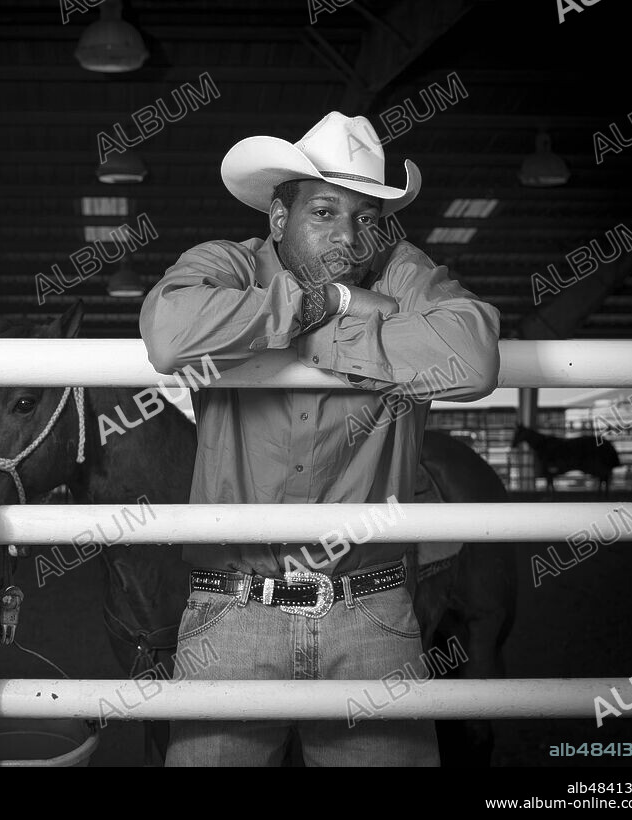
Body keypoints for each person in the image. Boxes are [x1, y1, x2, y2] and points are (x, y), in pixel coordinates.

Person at [138, 111, 501, 766]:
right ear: (279, 218)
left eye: (366, 217)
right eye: (325, 213)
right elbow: (171, 332)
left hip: (372, 614)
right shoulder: (223, 262)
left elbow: (472, 355)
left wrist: (285, 330)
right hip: (231, 612)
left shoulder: (401, 271)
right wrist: (330, 307)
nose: (350, 237)